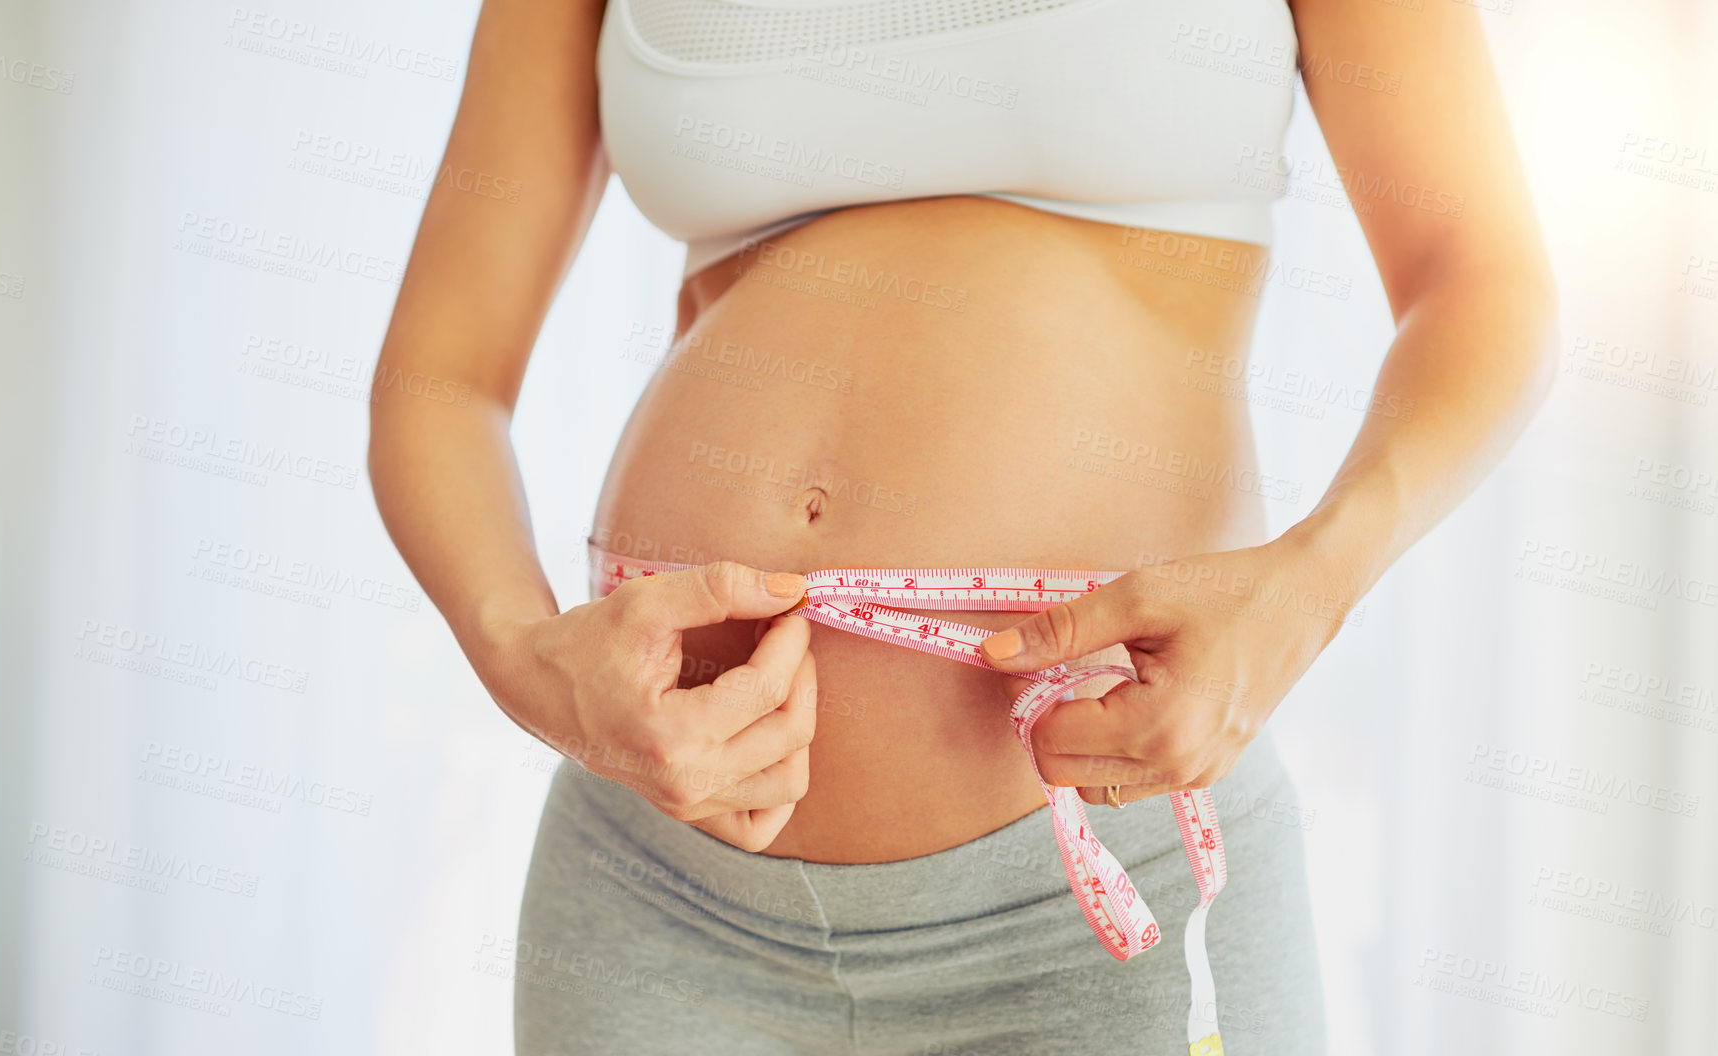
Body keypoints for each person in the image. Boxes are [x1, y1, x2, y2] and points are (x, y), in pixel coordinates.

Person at [369, 0, 1557, 1050]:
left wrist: (1306, 587)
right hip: (656, 895)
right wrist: (526, 659)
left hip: (1102, 904)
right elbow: (442, 377)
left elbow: (1479, 283)